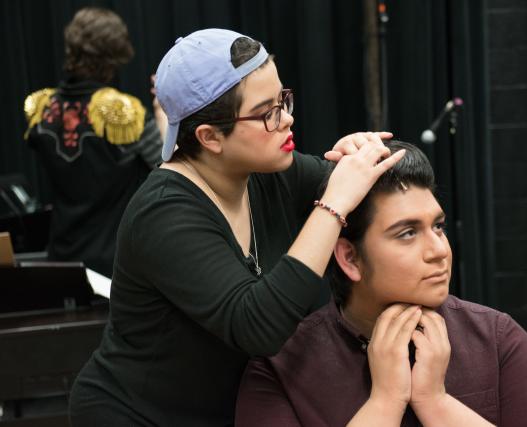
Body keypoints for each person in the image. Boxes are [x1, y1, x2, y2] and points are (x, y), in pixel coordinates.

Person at [68, 28, 405, 426]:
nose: (287, 119)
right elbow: (257, 326)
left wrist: (363, 157)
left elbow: (370, 189)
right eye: (268, 112)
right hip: (138, 416)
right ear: (210, 137)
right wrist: (332, 206)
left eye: (284, 100)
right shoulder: (163, 212)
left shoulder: (266, 169)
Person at [236, 141, 527, 427]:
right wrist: (385, 402)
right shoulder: (279, 368)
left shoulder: (497, 339)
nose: (440, 251)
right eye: (408, 233)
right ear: (350, 258)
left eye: (438, 227)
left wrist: (436, 403)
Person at [23, 7, 164, 277]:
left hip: (61, 261)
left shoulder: (41, 107)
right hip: (115, 265)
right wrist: (162, 112)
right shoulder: (124, 112)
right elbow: (166, 169)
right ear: (115, 56)